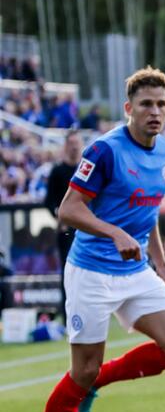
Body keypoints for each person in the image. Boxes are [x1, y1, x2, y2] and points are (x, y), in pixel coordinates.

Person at [20, 67, 165, 412]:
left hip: (135, 270)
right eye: (146, 105)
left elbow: (148, 211)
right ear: (128, 109)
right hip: (91, 273)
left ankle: (96, 383)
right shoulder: (105, 150)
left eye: (161, 105)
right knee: (80, 370)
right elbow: (69, 210)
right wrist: (114, 232)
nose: (155, 112)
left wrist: (162, 263)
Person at [43, 131, 84, 323]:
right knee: (68, 271)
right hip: (67, 230)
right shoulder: (57, 171)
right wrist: (59, 215)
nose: (75, 147)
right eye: (72, 143)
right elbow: (49, 201)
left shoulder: (86, 170)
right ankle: (69, 313)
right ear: (66, 146)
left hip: (87, 229)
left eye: (78, 143)